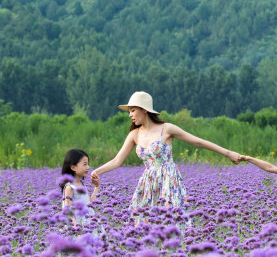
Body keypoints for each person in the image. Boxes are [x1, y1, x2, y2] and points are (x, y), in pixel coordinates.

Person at [91, 91, 243, 221]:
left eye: (132, 110)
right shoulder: (134, 135)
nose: (130, 114)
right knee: (143, 222)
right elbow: (117, 160)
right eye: (129, 111)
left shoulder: (166, 129)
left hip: (168, 181)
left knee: (170, 221)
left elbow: (199, 142)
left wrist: (228, 153)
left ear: (144, 110)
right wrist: (97, 171)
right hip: (147, 184)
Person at [60, 148, 98, 228]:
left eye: (88, 164)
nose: (88, 167)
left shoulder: (82, 184)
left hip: (88, 223)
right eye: (84, 164)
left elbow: (90, 203)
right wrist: (76, 228)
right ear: (73, 167)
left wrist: (96, 187)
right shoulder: (69, 187)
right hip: (77, 225)